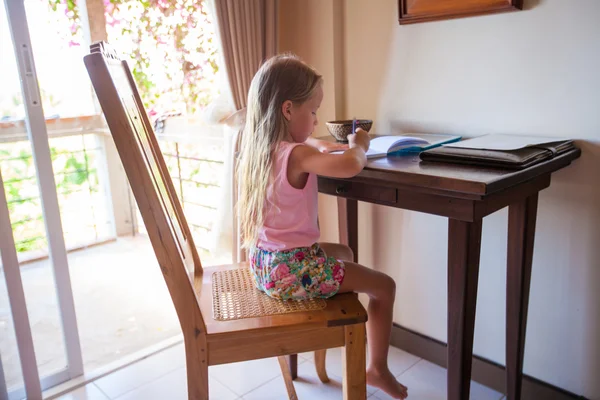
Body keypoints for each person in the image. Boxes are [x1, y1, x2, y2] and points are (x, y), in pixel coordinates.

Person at [236, 54, 408, 399]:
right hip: (292, 269)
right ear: (288, 110)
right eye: (313, 112)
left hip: (267, 263)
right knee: (384, 286)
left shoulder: (261, 148)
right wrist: (357, 145)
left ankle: (349, 330)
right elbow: (350, 165)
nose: (315, 121)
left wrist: (323, 143)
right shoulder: (295, 155)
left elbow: (311, 144)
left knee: (343, 252)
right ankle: (377, 368)